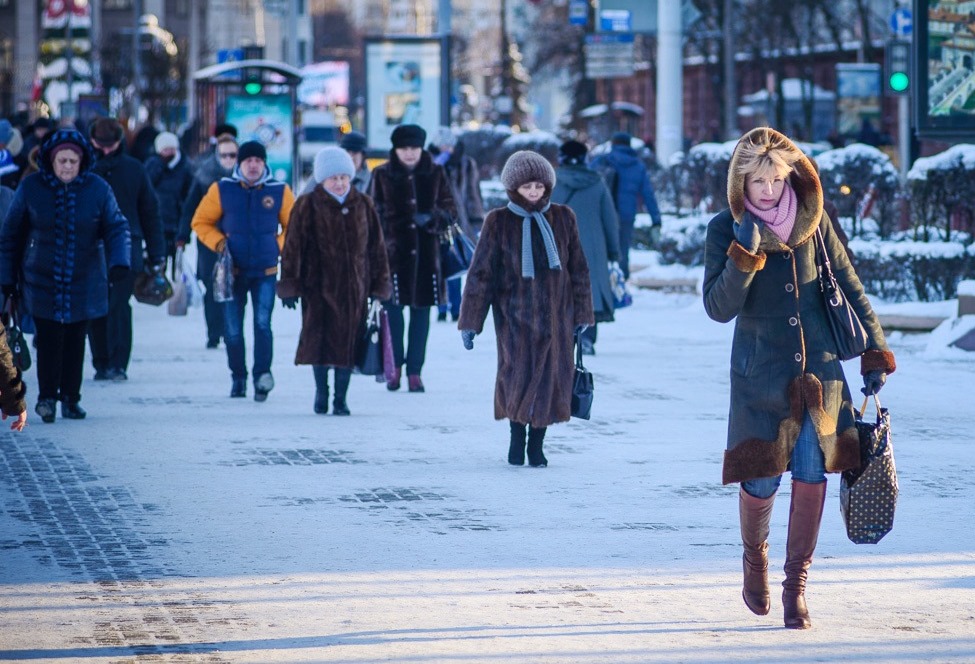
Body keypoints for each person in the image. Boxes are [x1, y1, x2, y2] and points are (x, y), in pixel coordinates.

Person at [702, 127, 896, 629]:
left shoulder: (815, 221)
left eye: (775, 178)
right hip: (759, 376)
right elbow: (718, 308)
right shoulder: (726, 227)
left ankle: (797, 587)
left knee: (812, 475)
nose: (767, 189)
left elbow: (849, 281)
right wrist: (744, 253)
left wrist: (875, 350)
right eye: (757, 180)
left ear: (790, 174)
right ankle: (754, 558)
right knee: (762, 479)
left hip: (822, 375)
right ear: (740, 181)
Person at [458, 150, 594, 468]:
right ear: (513, 188)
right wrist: (470, 322)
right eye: (526, 187)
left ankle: (538, 445)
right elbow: (480, 275)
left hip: (557, 317)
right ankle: (516, 437)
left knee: (550, 377)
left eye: (538, 186)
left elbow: (579, 269)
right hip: (513, 316)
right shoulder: (498, 221)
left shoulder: (562, 217)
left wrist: (584, 313)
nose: (533, 192)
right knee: (515, 376)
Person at [0, 129, 131, 422]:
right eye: (62, 160)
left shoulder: (97, 189)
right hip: (40, 276)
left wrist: (119, 261)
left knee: (75, 337)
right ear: (51, 160)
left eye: (73, 160)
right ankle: (46, 398)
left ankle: (71, 398)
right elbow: (11, 235)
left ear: (82, 162)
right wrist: (7, 278)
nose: (68, 166)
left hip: (85, 275)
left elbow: (116, 227)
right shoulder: (32, 187)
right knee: (48, 337)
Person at [278, 147, 391, 415]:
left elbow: (377, 248)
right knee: (319, 342)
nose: (339, 183)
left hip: (354, 288)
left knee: (349, 342)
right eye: (333, 178)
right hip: (316, 288)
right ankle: (321, 392)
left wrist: (378, 286)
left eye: (343, 177)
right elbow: (292, 248)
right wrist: (290, 285)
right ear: (321, 179)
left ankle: (341, 398)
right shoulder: (307, 204)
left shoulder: (363, 204)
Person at [192, 140, 294, 401]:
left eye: (258, 161)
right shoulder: (222, 189)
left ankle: (262, 376)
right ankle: (238, 377)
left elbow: (295, 226)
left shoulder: (279, 191)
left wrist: (277, 245)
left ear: (264, 163)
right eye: (248, 161)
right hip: (232, 272)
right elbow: (201, 222)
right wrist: (220, 243)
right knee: (233, 329)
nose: (253, 165)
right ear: (239, 163)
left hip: (266, 270)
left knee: (262, 324)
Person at [367, 123, 456, 393]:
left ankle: (415, 372)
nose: (409, 153)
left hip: (427, 257)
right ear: (395, 150)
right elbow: (371, 214)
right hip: (392, 258)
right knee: (393, 315)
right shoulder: (381, 174)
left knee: (421, 316)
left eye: (414, 148)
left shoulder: (436, 171)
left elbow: (451, 208)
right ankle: (394, 368)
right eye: (404, 148)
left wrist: (433, 218)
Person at [86, 117, 166, 382]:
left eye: (111, 145)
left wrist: (157, 252)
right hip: (92, 246)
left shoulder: (133, 169)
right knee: (97, 305)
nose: (106, 150)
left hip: (127, 244)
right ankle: (102, 361)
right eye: (101, 144)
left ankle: (118, 362)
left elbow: (149, 211)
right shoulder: (85, 167)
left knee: (119, 304)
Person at [551, 139, 620, 355]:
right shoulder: (597, 182)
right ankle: (588, 338)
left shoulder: (552, 183)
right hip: (593, 247)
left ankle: (563, 335)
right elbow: (610, 219)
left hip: (560, 245)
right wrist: (613, 251)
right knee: (590, 291)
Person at [177, 130, 238, 348]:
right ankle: (214, 332)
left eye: (232, 155)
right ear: (217, 155)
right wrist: (183, 235)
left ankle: (231, 330)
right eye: (224, 155)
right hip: (209, 240)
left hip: (237, 240)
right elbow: (190, 208)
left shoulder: (245, 176)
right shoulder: (204, 175)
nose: (228, 160)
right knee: (212, 286)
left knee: (234, 286)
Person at [429, 126, 485, 323]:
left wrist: (477, 220)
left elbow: (472, 194)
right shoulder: (430, 163)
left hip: (458, 223)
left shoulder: (466, 164)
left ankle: (456, 306)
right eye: (442, 145)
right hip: (436, 223)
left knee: (457, 263)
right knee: (439, 265)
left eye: (449, 146)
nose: (446, 149)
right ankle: (442, 306)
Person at [590, 131, 662, 278]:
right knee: (623, 249)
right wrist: (656, 220)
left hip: (603, 214)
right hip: (627, 215)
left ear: (613, 144)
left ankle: (603, 282)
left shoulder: (602, 161)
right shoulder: (638, 165)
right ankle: (621, 281)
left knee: (603, 248)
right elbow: (648, 195)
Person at [145, 131, 194, 277]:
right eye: (165, 150)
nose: (169, 153)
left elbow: (189, 194)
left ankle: (175, 285)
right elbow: (146, 187)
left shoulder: (185, 166)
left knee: (176, 260)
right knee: (159, 257)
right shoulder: (153, 165)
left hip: (176, 218)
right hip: (157, 218)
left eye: (172, 149)